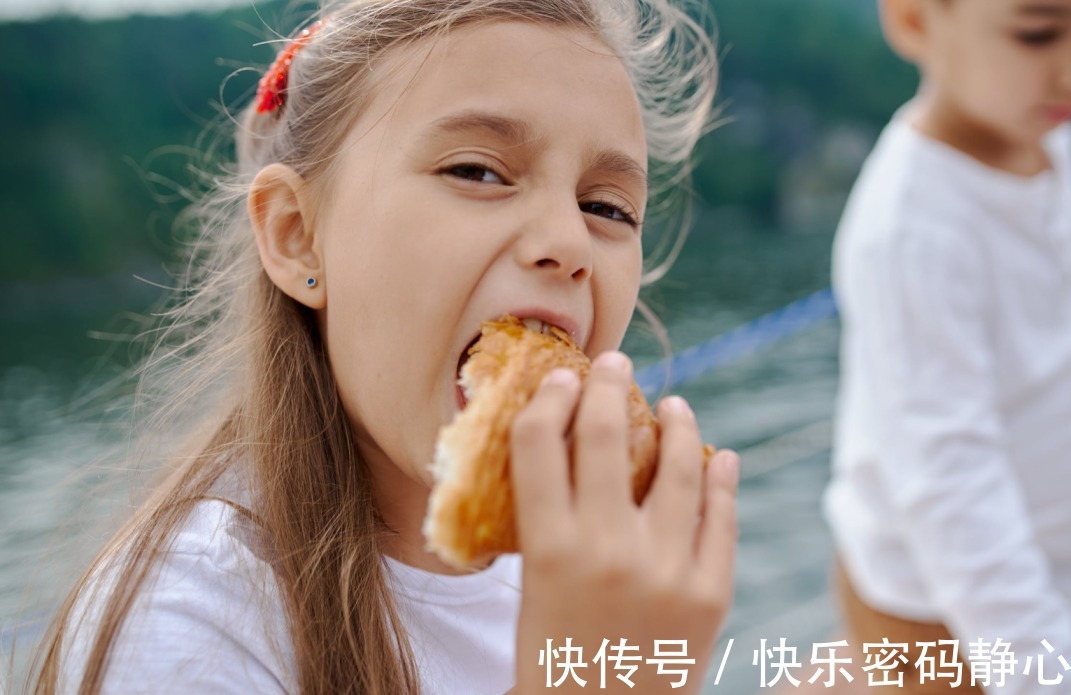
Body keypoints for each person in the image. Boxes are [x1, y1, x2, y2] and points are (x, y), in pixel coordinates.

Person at [25, 1, 740, 693]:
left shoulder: (600, 564)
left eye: (607, 207)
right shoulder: (189, 623)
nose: (567, 240)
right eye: (478, 172)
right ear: (298, 234)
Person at [825, 0, 1071, 693]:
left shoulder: (1047, 136)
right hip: (938, 608)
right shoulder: (913, 229)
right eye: (1039, 33)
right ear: (914, 21)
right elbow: (949, 482)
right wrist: (1044, 672)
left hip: (1048, 564)